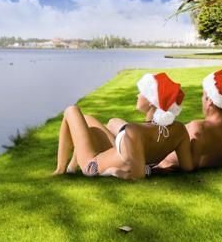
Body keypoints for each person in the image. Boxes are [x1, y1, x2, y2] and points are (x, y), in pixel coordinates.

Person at [53, 72, 194, 180]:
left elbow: (137, 175)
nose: (137, 95)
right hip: (114, 154)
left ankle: (60, 170)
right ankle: (72, 166)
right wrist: (156, 168)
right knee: (87, 119)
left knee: (71, 110)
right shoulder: (179, 129)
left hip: (93, 165)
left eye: (142, 92)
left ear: (152, 102)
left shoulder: (134, 131)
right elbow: (187, 167)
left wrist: (113, 172)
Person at [154, 69, 222, 171]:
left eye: (203, 95)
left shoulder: (198, 129)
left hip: (158, 163)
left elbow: (187, 166)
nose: (202, 99)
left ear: (210, 100)